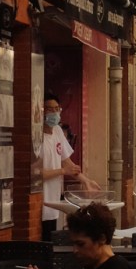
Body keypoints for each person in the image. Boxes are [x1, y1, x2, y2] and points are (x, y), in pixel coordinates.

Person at [41, 93, 98, 239]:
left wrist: (85, 180)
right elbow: (36, 173)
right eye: (49, 109)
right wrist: (62, 171)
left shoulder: (58, 131)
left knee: (51, 237)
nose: (54, 113)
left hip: (53, 200)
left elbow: (67, 162)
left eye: (56, 109)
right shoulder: (36, 137)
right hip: (40, 199)